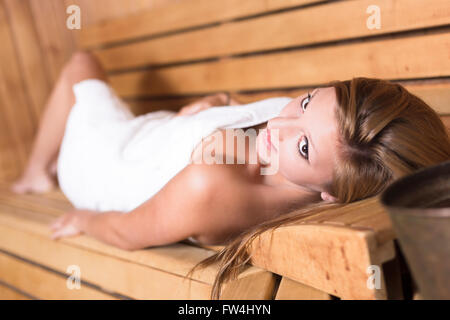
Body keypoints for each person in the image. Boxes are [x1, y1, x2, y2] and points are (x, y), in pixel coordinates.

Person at [11, 51, 450, 298]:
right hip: (150, 135)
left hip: (99, 162)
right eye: (305, 101)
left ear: (331, 196)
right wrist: (213, 106)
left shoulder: (213, 187)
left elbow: (126, 232)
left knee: (80, 64)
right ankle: (39, 166)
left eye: (302, 147)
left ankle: (36, 172)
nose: (278, 128)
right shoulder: (320, 159)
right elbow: (268, 125)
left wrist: (82, 219)